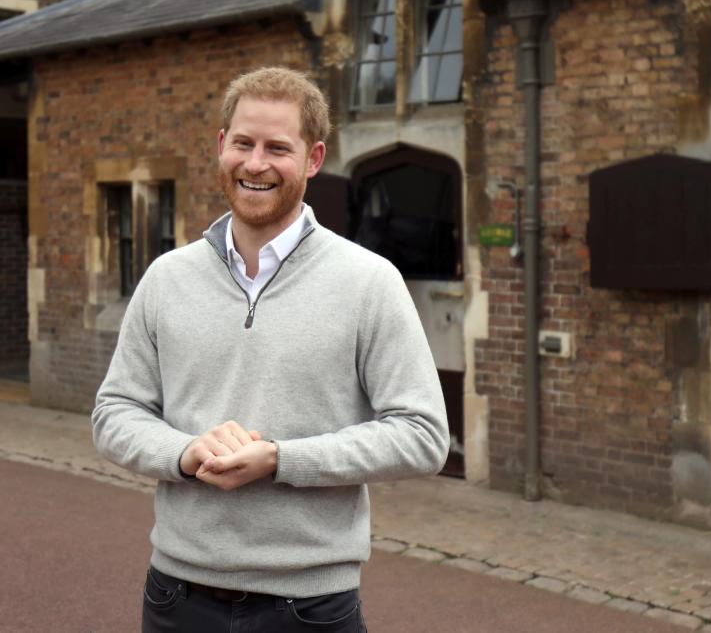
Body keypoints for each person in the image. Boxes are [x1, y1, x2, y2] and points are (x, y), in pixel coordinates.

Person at [92, 66, 449, 632]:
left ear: (312, 159)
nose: (255, 164)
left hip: (308, 607)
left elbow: (423, 436)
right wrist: (185, 453)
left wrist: (283, 460)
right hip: (176, 598)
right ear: (221, 147)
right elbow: (114, 414)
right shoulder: (167, 278)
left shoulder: (369, 281)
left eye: (277, 148)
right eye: (243, 143)